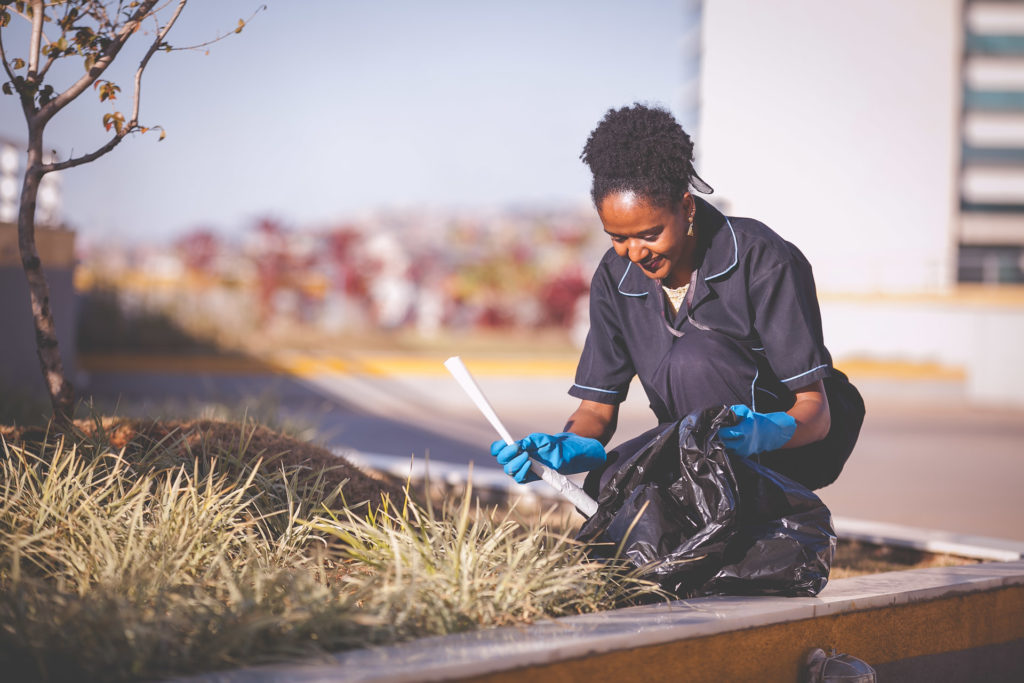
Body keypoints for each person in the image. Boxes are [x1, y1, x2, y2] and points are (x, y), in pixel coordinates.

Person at [490, 103, 864, 497]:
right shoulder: (614, 278)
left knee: (693, 358)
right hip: (692, 451)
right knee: (609, 486)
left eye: (649, 234)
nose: (634, 252)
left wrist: (762, 432)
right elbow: (596, 411)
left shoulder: (762, 257)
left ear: (686, 207)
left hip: (782, 453)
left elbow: (816, 414)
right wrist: (561, 449)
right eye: (618, 237)